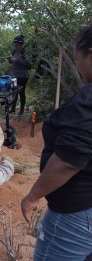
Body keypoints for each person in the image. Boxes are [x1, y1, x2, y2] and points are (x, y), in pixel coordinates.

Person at [21, 25, 92, 261]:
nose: (77, 62)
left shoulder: (88, 102)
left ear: (89, 53)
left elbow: (67, 162)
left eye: (77, 55)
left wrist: (33, 196)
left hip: (76, 211)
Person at [7, 35, 31, 115]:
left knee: (21, 92)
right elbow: (13, 62)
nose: (15, 46)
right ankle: (13, 108)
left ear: (21, 44)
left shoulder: (25, 52)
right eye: (14, 44)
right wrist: (10, 60)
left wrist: (17, 60)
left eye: (16, 44)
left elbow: (29, 65)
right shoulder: (14, 51)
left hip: (23, 76)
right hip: (14, 75)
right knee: (14, 92)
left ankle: (21, 110)